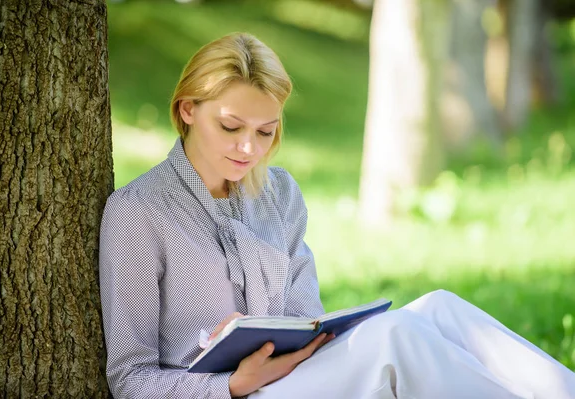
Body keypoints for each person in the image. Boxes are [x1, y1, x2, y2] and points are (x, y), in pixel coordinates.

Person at [98, 32, 575, 399]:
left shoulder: (279, 192)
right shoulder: (138, 212)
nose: (249, 148)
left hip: (300, 377)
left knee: (442, 307)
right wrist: (230, 383)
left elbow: (308, 317)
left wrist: (300, 333)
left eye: (266, 131)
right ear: (187, 111)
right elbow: (129, 377)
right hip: (235, 396)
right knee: (397, 335)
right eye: (230, 127)